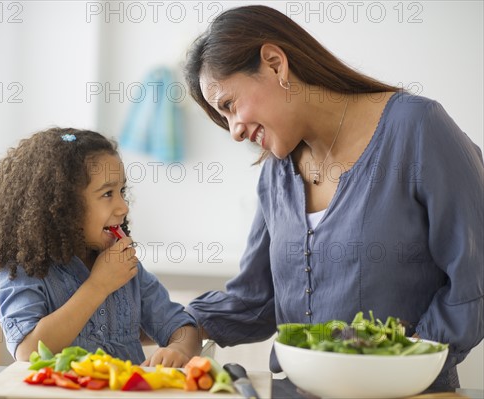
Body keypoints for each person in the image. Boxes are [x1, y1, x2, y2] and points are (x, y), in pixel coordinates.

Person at [183, 4, 483, 389]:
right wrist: (175, 320)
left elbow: (473, 283)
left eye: (229, 105)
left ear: (275, 64)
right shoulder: (277, 171)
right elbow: (256, 301)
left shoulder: (417, 129)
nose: (234, 131)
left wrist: (398, 358)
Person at [0, 128, 200, 367]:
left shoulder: (124, 265)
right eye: (107, 194)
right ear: (62, 206)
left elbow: (182, 325)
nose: (123, 206)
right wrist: (99, 285)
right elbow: (28, 351)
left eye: (121, 191)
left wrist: (179, 349)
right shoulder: (26, 266)